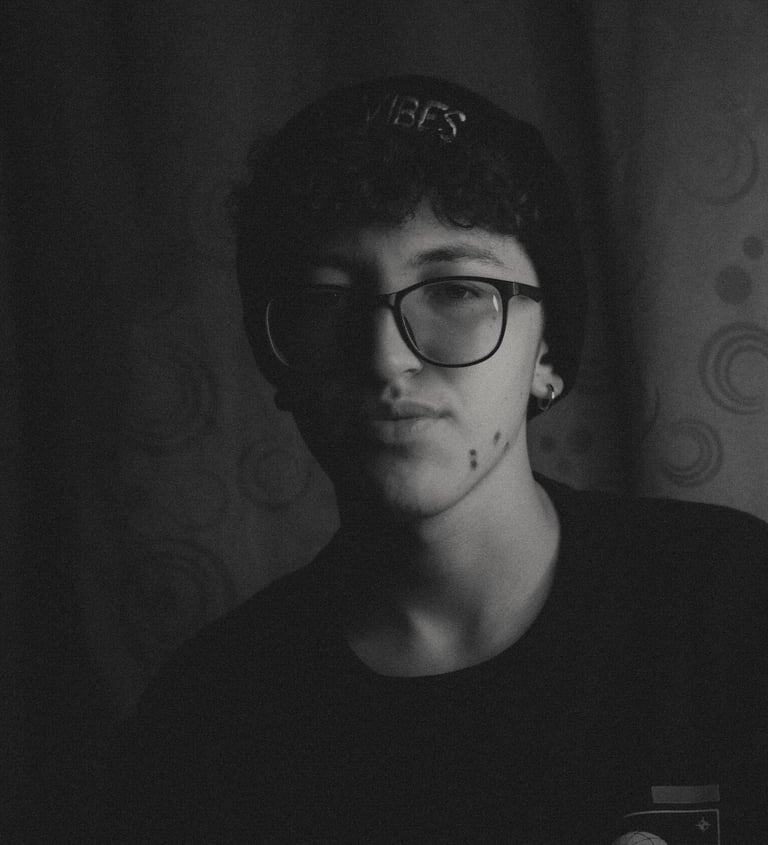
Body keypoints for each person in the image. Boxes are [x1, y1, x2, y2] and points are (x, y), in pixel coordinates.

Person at [103, 76, 768, 844]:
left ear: (548, 352)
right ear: (278, 362)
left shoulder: (731, 604)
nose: (386, 358)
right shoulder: (205, 725)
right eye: (324, 298)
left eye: (455, 291)